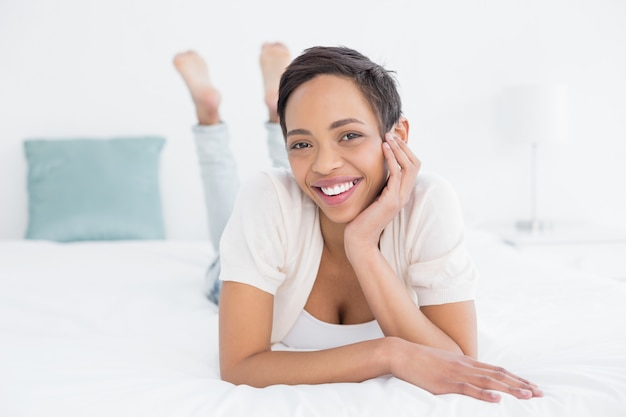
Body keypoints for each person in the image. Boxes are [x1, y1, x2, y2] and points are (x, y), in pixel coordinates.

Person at [173, 42, 543, 402]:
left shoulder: (428, 202)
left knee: (318, 179)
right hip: (260, 238)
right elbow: (240, 366)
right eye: (300, 144)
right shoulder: (267, 197)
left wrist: (362, 246)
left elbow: (458, 360)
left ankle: (277, 112)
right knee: (232, 231)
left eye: (349, 135)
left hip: (314, 201)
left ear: (396, 136)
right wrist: (388, 353)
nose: (324, 162)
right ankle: (217, 121)